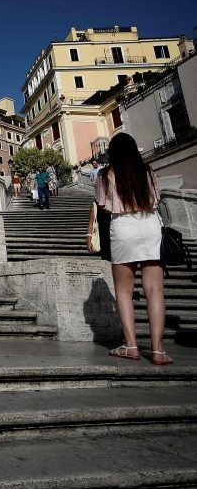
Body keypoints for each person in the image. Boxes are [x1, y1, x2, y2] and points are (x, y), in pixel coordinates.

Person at [92, 133, 170, 365]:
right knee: (155, 290)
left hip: (123, 226)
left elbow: (103, 206)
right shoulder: (147, 171)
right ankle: (157, 350)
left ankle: (131, 346)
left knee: (124, 291)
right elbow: (156, 199)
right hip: (150, 224)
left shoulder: (105, 175)